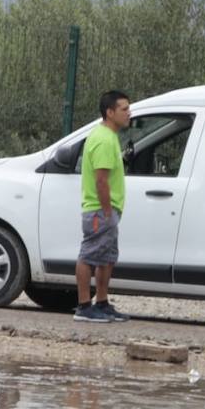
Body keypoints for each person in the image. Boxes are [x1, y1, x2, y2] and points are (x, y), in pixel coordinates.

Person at [74, 90, 132, 323]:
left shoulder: (109, 137)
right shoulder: (103, 139)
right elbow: (101, 179)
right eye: (124, 109)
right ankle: (84, 306)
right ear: (110, 112)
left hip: (108, 210)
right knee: (89, 255)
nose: (129, 113)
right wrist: (107, 211)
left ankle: (102, 302)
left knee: (107, 257)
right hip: (100, 210)